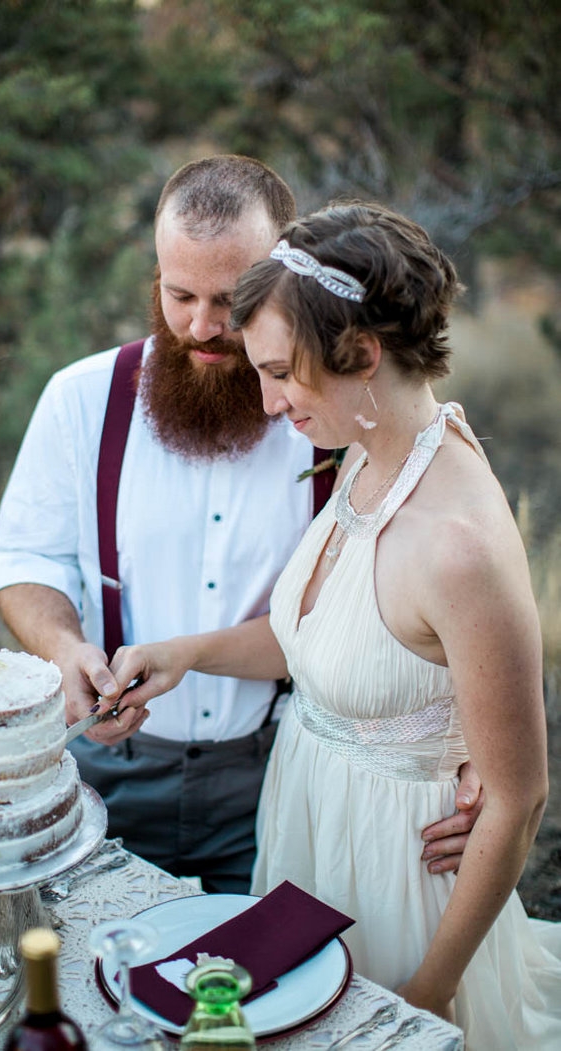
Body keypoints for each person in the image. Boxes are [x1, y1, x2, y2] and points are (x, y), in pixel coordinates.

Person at [105, 201, 561, 1046]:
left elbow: (519, 793)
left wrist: (428, 986)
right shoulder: (368, 448)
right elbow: (333, 642)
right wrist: (187, 653)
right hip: (312, 840)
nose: (269, 403)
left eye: (280, 372)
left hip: (399, 886)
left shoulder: (455, 541)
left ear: (360, 353)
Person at [0, 157, 480, 894]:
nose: (204, 326)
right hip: (103, 777)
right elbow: (24, 559)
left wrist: (458, 751)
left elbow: (423, 601)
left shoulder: (336, 416)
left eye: (231, 298)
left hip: (284, 773)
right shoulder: (80, 400)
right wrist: (63, 649)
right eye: (178, 293)